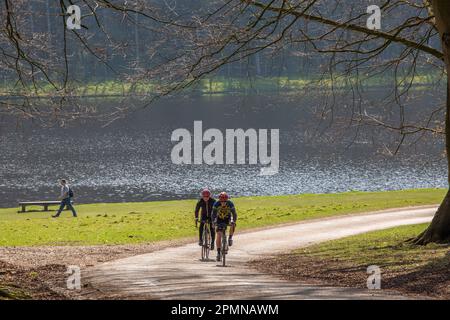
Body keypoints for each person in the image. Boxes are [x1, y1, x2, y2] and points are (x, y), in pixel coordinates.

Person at [211, 192, 237, 262]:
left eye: (224, 202)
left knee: (232, 223)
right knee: (219, 235)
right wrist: (213, 222)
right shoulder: (216, 204)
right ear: (219, 200)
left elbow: (234, 214)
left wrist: (234, 221)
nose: (223, 203)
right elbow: (213, 214)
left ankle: (230, 238)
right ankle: (218, 252)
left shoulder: (230, 203)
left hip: (227, 218)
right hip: (219, 219)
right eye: (221, 202)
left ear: (227, 200)